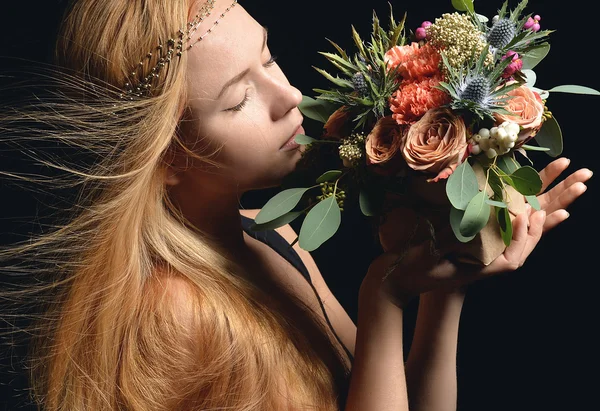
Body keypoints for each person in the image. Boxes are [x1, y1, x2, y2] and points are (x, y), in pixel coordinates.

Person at [0, 0, 592, 410]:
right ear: (167, 156)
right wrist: (383, 295)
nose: (288, 96)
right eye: (238, 100)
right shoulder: (176, 316)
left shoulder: (263, 233)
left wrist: (446, 272)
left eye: (268, 57)